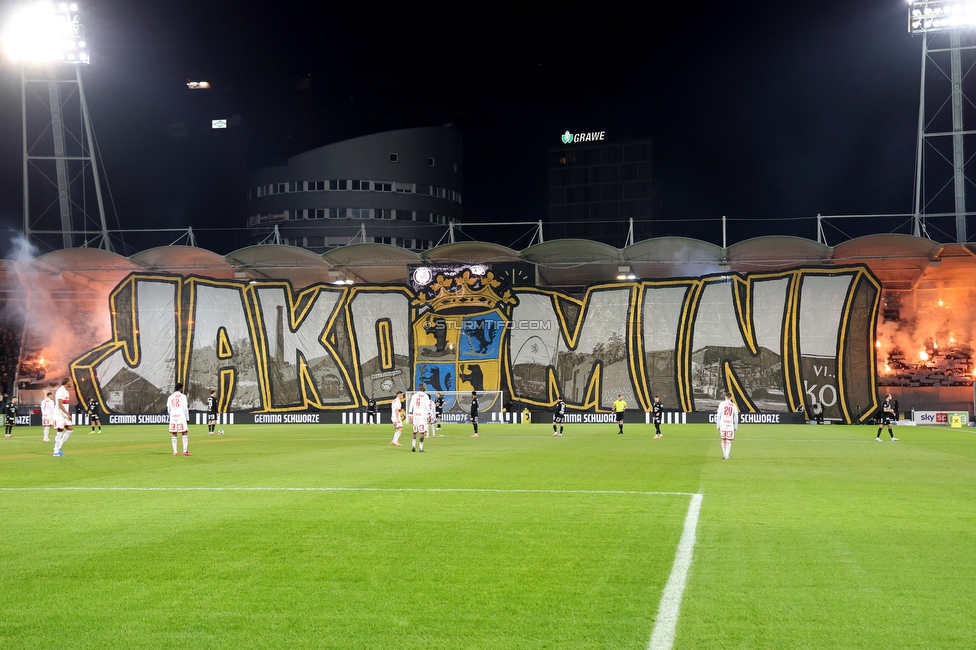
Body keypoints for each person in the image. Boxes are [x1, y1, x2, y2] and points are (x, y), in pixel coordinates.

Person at [52, 377, 74, 457]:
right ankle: (56, 451)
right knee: (60, 431)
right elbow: (60, 404)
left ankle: (59, 447)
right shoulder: (60, 391)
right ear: (67, 382)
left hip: (64, 414)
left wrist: (66, 413)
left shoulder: (66, 391)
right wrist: (67, 413)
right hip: (59, 414)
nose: (71, 383)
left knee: (70, 429)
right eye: (70, 382)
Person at [408, 384, 433, 452]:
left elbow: (411, 405)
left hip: (415, 416)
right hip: (422, 417)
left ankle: (413, 446)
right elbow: (427, 406)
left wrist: (410, 415)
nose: (425, 388)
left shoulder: (414, 395)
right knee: (422, 432)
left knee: (414, 432)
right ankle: (421, 448)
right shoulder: (425, 396)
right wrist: (429, 414)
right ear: (423, 388)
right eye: (424, 387)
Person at [168, 382, 191, 456]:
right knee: (184, 433)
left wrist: (171, 415)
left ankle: (175, 451)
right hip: (181, 416)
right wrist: (187, 418)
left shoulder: (170, 397)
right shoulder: (183, 396)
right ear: (181, 388)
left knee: (174, 434)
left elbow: (169, 408)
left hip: (173, 416)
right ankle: (185, 451)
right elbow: (185, 408)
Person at [716, 392, 739, 460]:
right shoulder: (733, 405)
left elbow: (718, 415)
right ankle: (727, 455)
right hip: (730, 424)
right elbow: (736, 416)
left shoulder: (721, 404)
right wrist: (736, 426)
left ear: (725, 397)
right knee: (728, 440)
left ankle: (724, 454)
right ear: (731, 398)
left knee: (723, 440)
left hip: (723, 423)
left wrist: (717, 425)